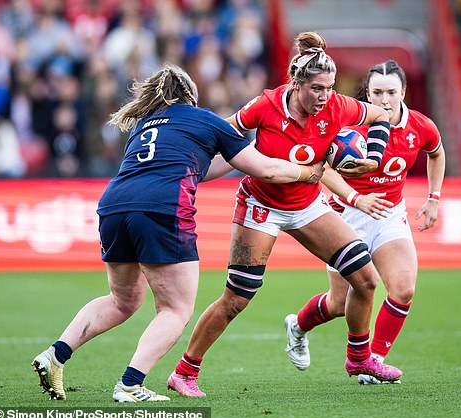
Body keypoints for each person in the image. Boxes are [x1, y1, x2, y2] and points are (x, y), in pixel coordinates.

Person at [31, 63, 322, 402]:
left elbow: (199, 170)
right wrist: (307, 172)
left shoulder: (144, 125)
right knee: (175, 309)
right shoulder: (206, 119)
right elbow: (267, 170)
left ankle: (56, 355)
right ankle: (130, 385)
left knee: (122, 300)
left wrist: (240, 152)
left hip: (114, 204)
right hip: (162, 207)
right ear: (191, 95)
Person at [167, 31, 402, 398]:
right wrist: (188, 175)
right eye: (316, 88)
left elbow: (381, 116)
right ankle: (184, 372)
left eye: (329, 87)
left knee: (366, 279)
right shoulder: (266, 105)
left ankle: (358, 357)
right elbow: (222, 135)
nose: (324, 96)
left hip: (307, 204)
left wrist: (373, 155)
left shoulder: (338, 106)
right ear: (296, 84)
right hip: (261, 207)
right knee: (237, 299)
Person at [284, 60, 445, 384]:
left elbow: (436, 152)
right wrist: (356, 198)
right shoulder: (348, 126)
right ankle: (298, 327)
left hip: (388, 214)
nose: (384, 100)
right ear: (366, 93)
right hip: (346, 215)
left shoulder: (420, 126)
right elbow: (322, 168)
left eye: (391, 92)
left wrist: (433, 198)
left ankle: (373, 361)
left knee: (403, 289)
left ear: (404, 92)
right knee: (340, 304)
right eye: (377, 92)